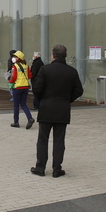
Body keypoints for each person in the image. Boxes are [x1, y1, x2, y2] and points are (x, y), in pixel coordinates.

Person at [31, 44, 83, 177]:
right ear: (65, 55)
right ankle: (57, 168)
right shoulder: (72, 71)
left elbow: (36, 88)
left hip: (46, 108)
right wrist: (67, 99)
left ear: (53, 55)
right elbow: (79, 90)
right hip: (62, 109)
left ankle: (40, 167)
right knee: (59, 140)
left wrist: (43, 99)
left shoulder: (45, 69)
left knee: (43, 139)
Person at [9, 50, 35, 128]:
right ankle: (30, 118)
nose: (13, 58)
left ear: (18, 58)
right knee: (23, 104)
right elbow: (30, 76)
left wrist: (10, 82)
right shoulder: (26, 66)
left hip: (17, 87)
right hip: (25, 87)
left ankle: (16, 122)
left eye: (15, 56)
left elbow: (14, 77)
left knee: (16, 105)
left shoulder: (15, 66)